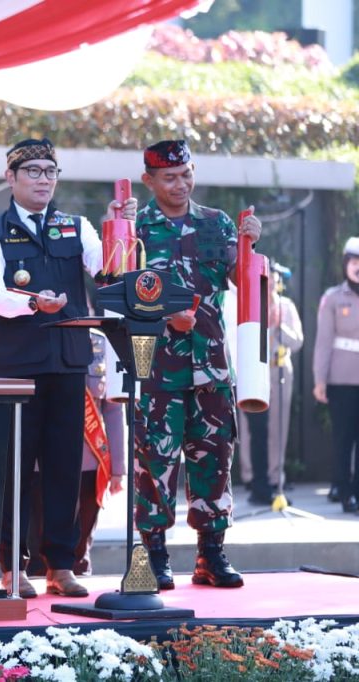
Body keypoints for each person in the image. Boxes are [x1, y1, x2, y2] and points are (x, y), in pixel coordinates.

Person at [0, 137, 135, 599]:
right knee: (15, 469)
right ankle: (11, 566)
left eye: (50, 171)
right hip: (16, 367)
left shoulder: (75, 226)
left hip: (68, 363)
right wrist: (32, 303)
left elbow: (108, 271)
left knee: (64, 468)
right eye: (33, 171)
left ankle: (60, 565)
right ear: (11, 178)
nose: (43, 180)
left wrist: (122, 230)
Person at [134, 139, 261, 589]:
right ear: (149, 181)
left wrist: (248, 247)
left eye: (187, 173)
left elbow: (240, 280)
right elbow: (117, 291)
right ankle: (153, 558)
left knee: (215, 458)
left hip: (210, 362)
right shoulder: (137, 228)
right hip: (155, 367)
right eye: (169, 177)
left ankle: (211, 554)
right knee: (155, 461)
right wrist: (163, 310)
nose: (180, 183)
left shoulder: (216, 223)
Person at [27, 328, 126, 577]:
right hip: (45, 463)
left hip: (91, 460)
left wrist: (118, 467)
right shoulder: (41, 336)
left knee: (80, 550)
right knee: (40, 549)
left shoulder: (101, 343)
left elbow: (113, 408)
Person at [239, 266, 303, 505]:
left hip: (279, 368)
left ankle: (276, 476)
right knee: (251, 428)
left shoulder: (286, 306)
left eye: (274, 281)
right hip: (256, 368)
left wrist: (279, 326)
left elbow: (297, 341)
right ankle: (251, 476)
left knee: (278, 425)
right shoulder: (251, 302)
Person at [313, 237, 359, 514]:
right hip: (341, 381)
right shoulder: (333, 298)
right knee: (344, 439)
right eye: (354, 262)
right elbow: (323, 342)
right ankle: (344, 493)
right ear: (345, 265)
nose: (358, 268)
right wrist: (320, 380)